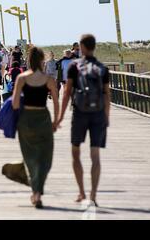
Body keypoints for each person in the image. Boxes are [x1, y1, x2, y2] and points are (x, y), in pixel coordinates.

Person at [58, 34, 111, 207]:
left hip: (79, 112)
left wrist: (60, 117)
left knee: (76, 152)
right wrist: (106, 117)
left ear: (81, 47)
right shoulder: (102, 68)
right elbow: (106, 95)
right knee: (95, 155)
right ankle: (93, 195)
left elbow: (67, 93)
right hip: (98, 114)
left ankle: (81, 191)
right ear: (94, 46)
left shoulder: (75, 66)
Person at [12, 47, 60, 209]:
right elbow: (55, 101)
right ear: (42, 61)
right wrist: (56, 120)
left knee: (30, 157)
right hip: (43, 118)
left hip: (25, 119)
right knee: (45, 156)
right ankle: (38, 191)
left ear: (28, 60)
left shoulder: (21, 78)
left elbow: (15, 104)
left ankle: (36, 192)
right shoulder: (48, 80)